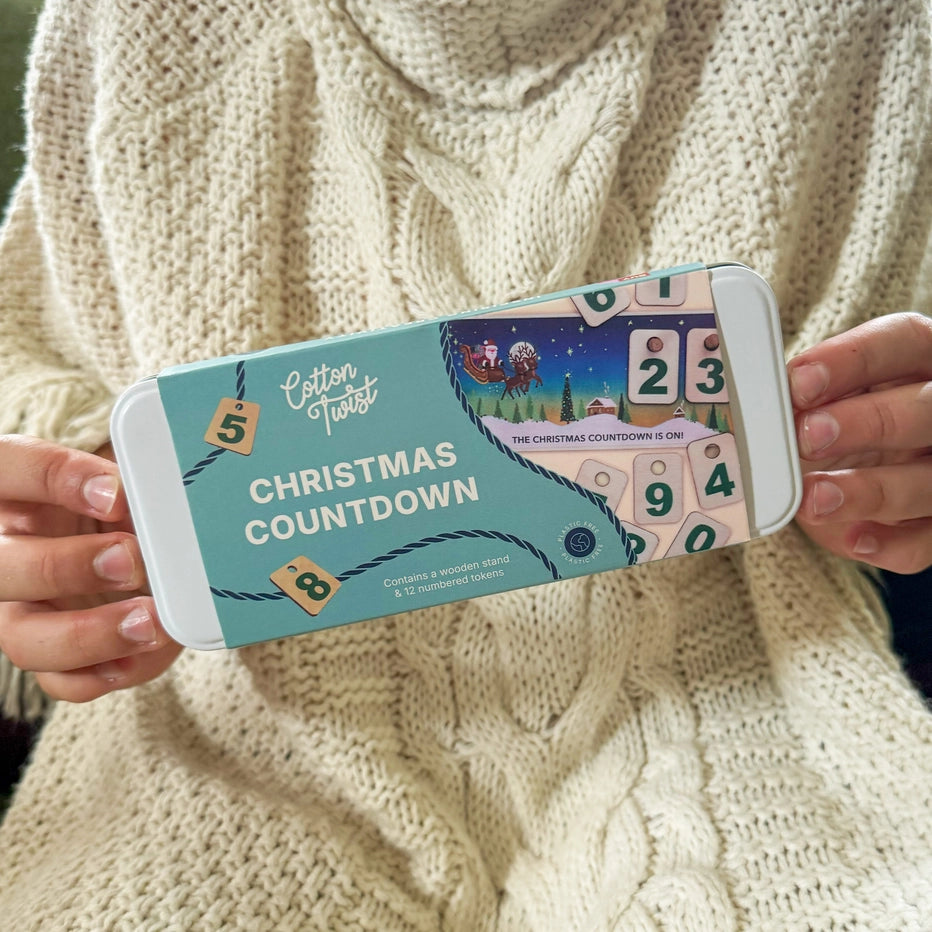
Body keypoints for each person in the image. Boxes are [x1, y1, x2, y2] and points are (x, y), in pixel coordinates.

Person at [0, 0, 930, 927]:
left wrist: (895, 449)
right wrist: (60, 529)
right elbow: (26, 348)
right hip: (242, 732)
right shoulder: (131, 29)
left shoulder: (866, 28)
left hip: (742, 704)